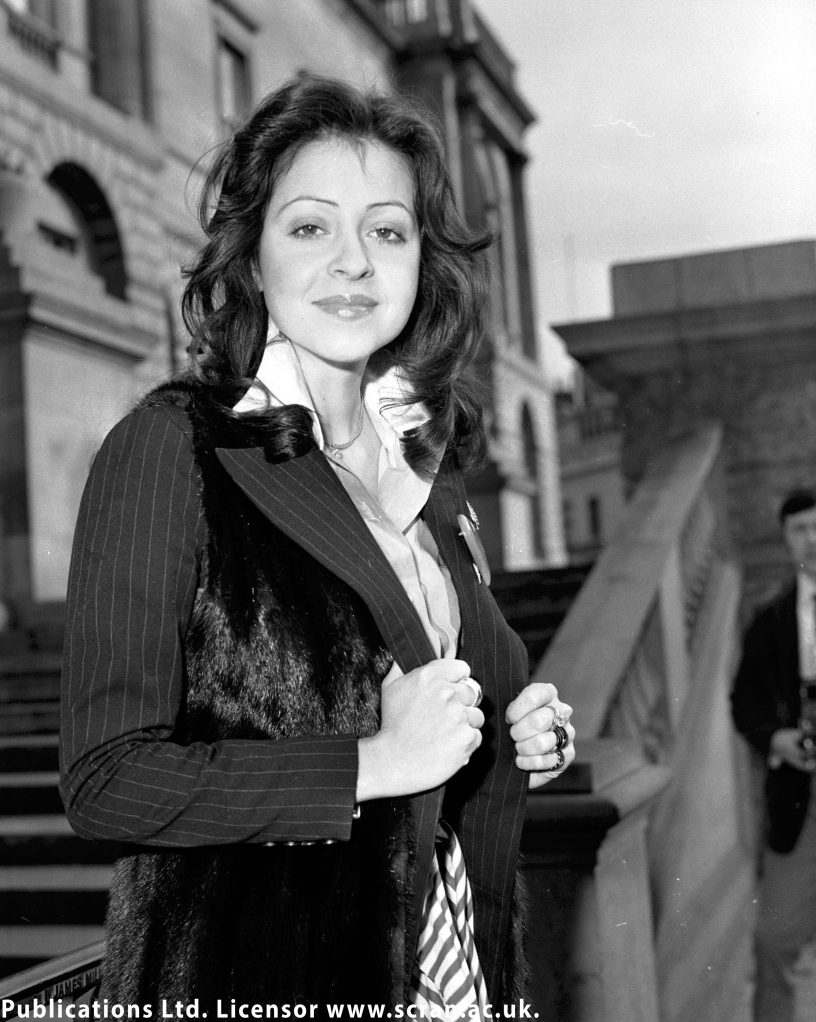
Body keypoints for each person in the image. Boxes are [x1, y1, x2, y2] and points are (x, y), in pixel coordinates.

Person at [60, 75, 576, 1017]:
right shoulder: (173, 448)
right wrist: (374, 762)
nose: (354, 263)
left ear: (423, 261)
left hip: (455, 963)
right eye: (310, 228)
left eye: (387, 231)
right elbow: (105, 780)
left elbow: (430, 710)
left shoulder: (429, 464)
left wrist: (514, 731)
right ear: (252, 260)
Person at [732, 489, 816, 1022]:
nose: (812, 539)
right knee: (774, 940)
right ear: (786, 540)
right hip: (800, 800)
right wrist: (775, 739)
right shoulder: (771, 620)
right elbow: (742, 703)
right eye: (799, 530)